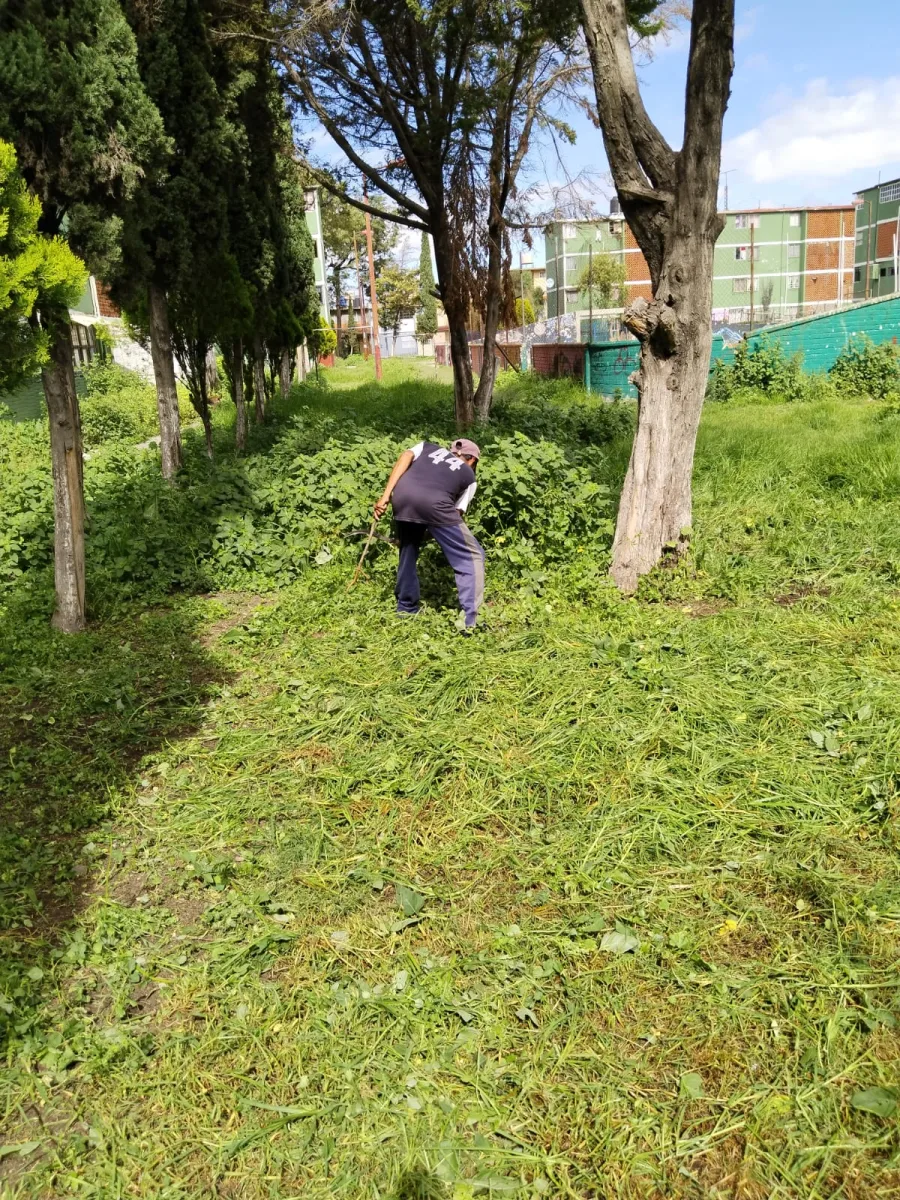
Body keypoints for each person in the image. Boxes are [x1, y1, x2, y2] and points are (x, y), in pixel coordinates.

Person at [374, 438, 485, 629]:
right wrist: (434, 531)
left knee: (408, 548)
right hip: (435, 505)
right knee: (473, 555)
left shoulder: (427, 447)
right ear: (473, 460)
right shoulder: (468, 475)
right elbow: (455, 514)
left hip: (403, 497)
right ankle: (469, 623)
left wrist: (385, 496)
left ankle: (406, 608)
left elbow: (406, 455)